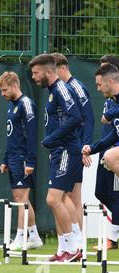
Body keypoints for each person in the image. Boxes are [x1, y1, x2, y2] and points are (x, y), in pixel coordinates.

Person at [29, 54, 83, 262]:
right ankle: (63, 249)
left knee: (53, 199)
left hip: (67, 149)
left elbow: (76, 117)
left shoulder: (61, 89)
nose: (33, 77)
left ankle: (73, 248)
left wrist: (51, 138)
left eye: (36, 73)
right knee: (58, 200)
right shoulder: (53, 91)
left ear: (48, 72)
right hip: (59, 150)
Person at [0, 71, 43, 251]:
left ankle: (20, 237)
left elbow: (32, 136)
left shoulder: (26, 104)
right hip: (13, 157)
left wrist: (30, 161)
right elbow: (11, 135)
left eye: (4, 90)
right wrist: (6, 159)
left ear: (15, 85)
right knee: (19, 197)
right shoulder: (12, 105)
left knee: (21, 199)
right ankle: (35, 237)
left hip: (23, 158)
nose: (2, 94)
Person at [52, 53, 94, 246]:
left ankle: (77, 243)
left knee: (68, 197)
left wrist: (85, 147)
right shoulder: (60, 89)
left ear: (62, 68)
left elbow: (88, 118)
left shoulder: (75, 87)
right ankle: (67, 245)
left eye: (52, 70)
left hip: (74, 147)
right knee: (64, 196)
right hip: (63, 148)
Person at [82, 63, 119, 249]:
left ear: (110, 81)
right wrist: (92, 149)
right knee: (108, 155)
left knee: (112, 156)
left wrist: (110, 114)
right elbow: (113, 135)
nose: (97, 88)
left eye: (99, 84)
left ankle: (112, 238)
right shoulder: (115, 103)